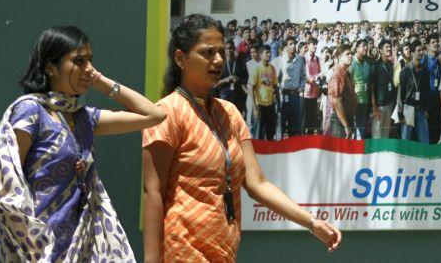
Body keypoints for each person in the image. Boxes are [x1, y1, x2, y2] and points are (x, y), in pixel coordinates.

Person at [142, 14, 341, 263]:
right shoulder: (166, 112)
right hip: (182, 252)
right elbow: (153, 192)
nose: (217, 60)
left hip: (224, 252)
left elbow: (257, 183)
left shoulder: (230, 113)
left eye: (220, 52)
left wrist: (311, 223)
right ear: (181, 59)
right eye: (206, 53)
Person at [0, 26, 166, 261]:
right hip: (36, 248)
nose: (88, 69)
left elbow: (154, 115)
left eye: (90, 60)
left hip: (81, 246)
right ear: (50, 68)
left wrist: (101, 81)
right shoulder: (30, 112)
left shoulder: (84, 117)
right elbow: (8, 183)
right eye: (79, 61)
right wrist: (30, 240)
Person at [398, 40, 430, 142]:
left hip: (421, 109)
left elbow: (426, 92)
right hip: (408, 108)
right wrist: (400, 113)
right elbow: (400, 94)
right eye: (418, 50)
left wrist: (427, 109)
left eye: (422, 50)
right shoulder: (405, 71)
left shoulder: (424, 71)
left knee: (424, 141)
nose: (421, 52)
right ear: (412, 53)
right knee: (406, 140)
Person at [276, 37, 306, 138]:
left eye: (294, 44)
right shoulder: (279, 61)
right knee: (281, 125)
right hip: (283, 96)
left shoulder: (300, 59)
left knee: (295, 126)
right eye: (290, 44)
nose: (293, 46)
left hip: (295, 96)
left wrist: (301, 87)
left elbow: (303, 76)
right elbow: (274, 79)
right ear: (286, 46)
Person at [325, 44, 358, 138]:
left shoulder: (346, 73)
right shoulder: (337, 75)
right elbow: (337, 102)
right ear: (339, 57)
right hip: (340, 121)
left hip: (347, 118)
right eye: (347, 54)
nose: (351, 56)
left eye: (351, 53)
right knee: (341, 151)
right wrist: (346, 125)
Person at [250, 46, 280, 140]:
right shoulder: (256, 69)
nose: (269, 54)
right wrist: (254, 107)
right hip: (260, 105)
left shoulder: (272, 69)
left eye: (270, 52)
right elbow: (251, 88)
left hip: (270, 105)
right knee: (258, 134)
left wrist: (278, 102)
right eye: (266, 52)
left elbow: (275, 86)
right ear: (261, 55)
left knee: (270, 132)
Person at [371, 39, 396, 138]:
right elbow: (372, 87)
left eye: (390, 47)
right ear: (380, 50)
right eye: (386, 47)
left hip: (389, 104)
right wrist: (374, 107)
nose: (389, 49)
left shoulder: (391, 65)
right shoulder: (376, 65)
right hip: (379, 106)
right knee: (377, 135)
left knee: (386, 134)